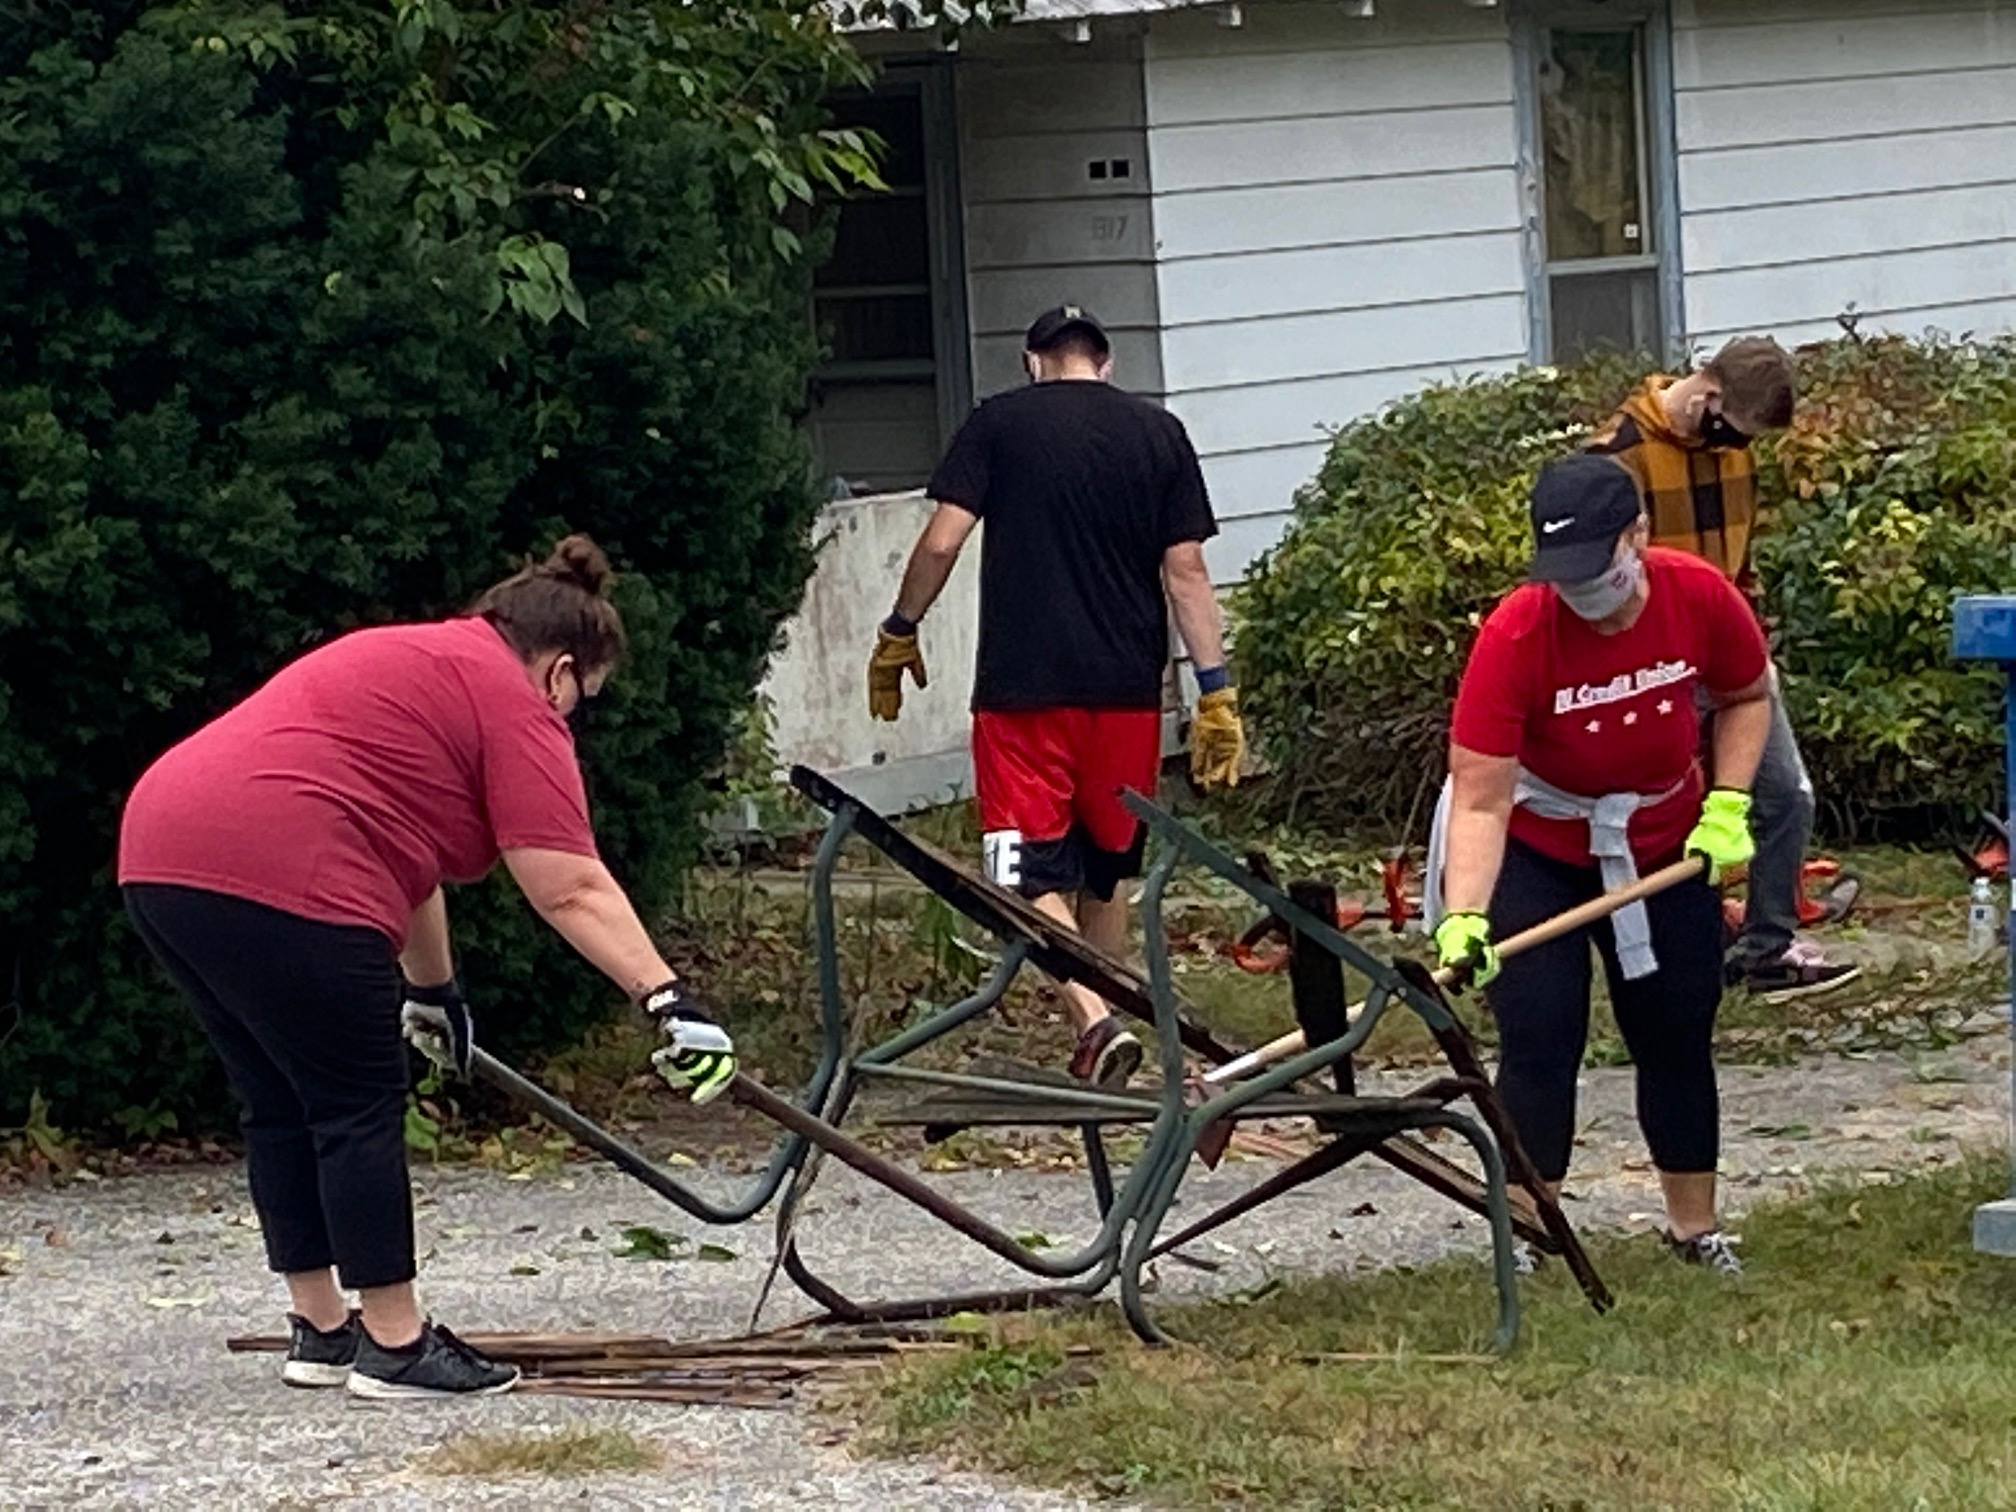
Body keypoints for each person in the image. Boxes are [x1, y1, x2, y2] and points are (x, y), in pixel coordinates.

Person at [118, 536, 735, 1400]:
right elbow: (569, 886)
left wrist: (433, 994)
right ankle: (399, 1347)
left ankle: (324, 1332)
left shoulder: (419, 659)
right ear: (561, 671)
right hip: (283, 869)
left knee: (280, 1103)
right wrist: (668, 999)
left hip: (160, 855)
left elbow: (408, 865)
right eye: (581, 702)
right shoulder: (514, 703)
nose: (571, 722)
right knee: (354, 1106)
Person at [866, 305, 1246, 1086]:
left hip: (1022, 689)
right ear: (1104, 364)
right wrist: (1216, 691)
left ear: (1031, 360)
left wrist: (902, 626)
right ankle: (1106, 1038)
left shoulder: (997, 424)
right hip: (1126, 693)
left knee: (1021, 873)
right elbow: (1187, 574)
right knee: (1106, 868)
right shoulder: (1158, 434)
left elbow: (943, 539)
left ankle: (1096, 1020)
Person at [1432, 455, 1771, 1274]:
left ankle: (1695, 1230)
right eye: (1566, 575)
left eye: (1597, 567)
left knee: (1676, 1030)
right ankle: (1530, 1234)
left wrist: (1726, 805)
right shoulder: (1516, 633)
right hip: (1540, 846)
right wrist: (1466, 913)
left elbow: (1748, 695)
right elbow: (1481, 797)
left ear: (1638, 538)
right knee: (1541, 1032)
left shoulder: (1697, 596)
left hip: (1661, 843)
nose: (1583, 589)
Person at [1586, 336, 1859, 1000]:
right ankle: (1684, 952)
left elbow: (1741, 562)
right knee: (1671, 816)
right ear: (1708, 396)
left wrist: (1754, 644)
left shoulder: (1733, 458)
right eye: (1735, 432)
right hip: (1655, 668)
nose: (1740, 448)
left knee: (1783, 796)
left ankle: (1767, 947)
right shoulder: (1617, 455)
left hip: (1728, 659)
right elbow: (1602, 577)